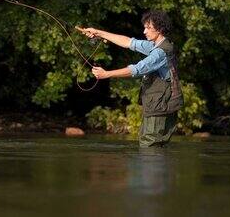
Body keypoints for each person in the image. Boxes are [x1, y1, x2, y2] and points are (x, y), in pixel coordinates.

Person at [77, 10, 183, 147]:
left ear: (160, 29)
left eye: (148, 28)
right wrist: (98, 32)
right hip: (159, 106)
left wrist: (106, 74)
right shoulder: (156, 45)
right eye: (144, 27)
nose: (144, 31)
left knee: (150, 145)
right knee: (153, 146)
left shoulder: (160, 52)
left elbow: (137, 69)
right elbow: (128, 42)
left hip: (160, 106)